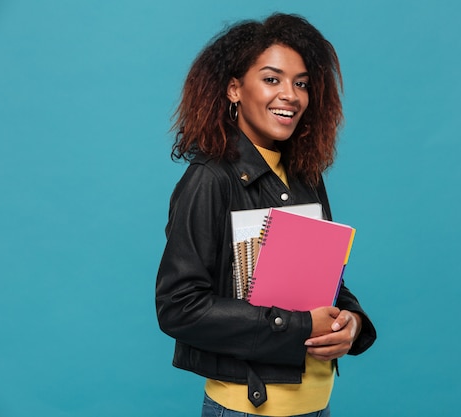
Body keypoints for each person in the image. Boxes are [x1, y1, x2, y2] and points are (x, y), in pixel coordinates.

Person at [155, 13, 376, 417]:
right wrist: (300, 326)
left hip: (316, 406)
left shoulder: (306, 176)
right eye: (272, 79)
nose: (290, 94)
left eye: (302, 83)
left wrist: (353, 323)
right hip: (247, 409)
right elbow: (179, 306)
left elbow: (325, 282)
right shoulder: (209, 180)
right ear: (235, 88)